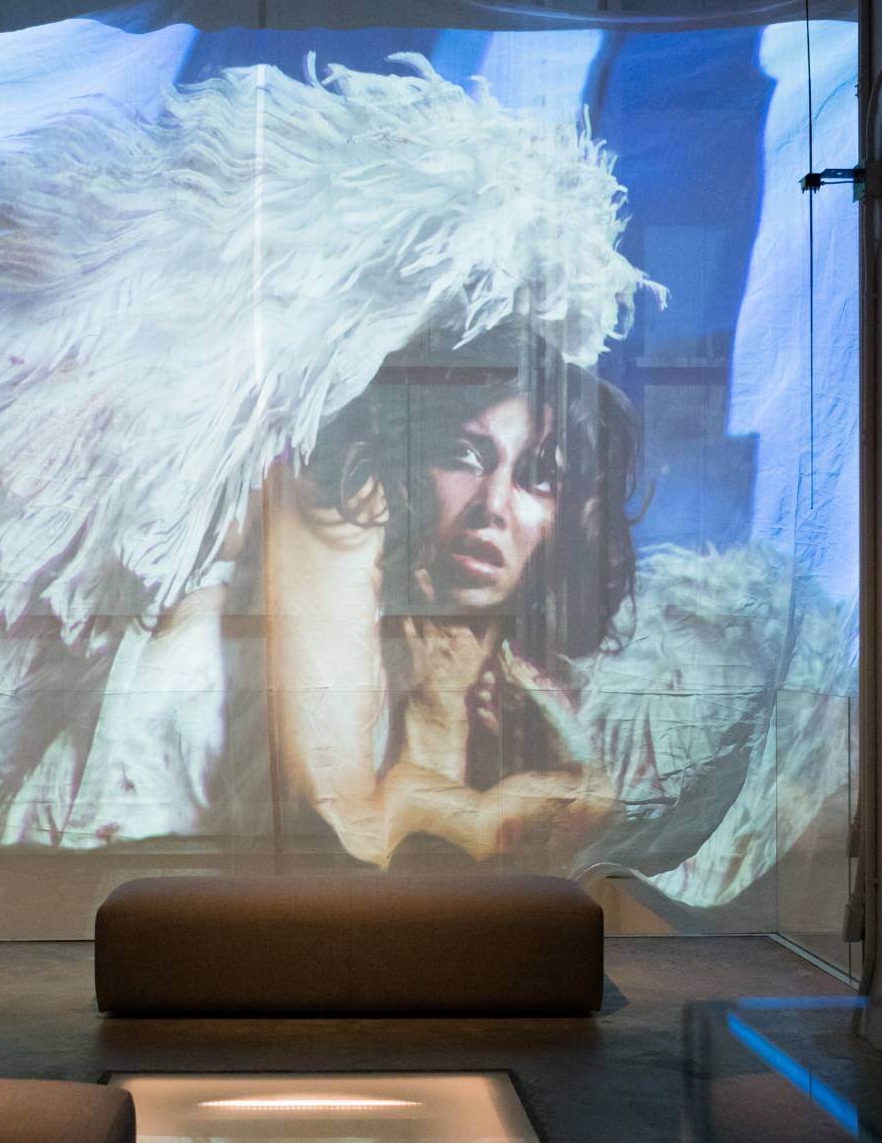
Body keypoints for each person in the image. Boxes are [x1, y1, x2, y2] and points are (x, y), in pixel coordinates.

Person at [265, 324, 642, 868]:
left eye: (536, 477)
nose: (492, 503)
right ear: (413, 462)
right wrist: (440, 724)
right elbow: (348, 840)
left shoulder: (510, 654)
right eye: (465, 455)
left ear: (569, 518)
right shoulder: (348, 505)